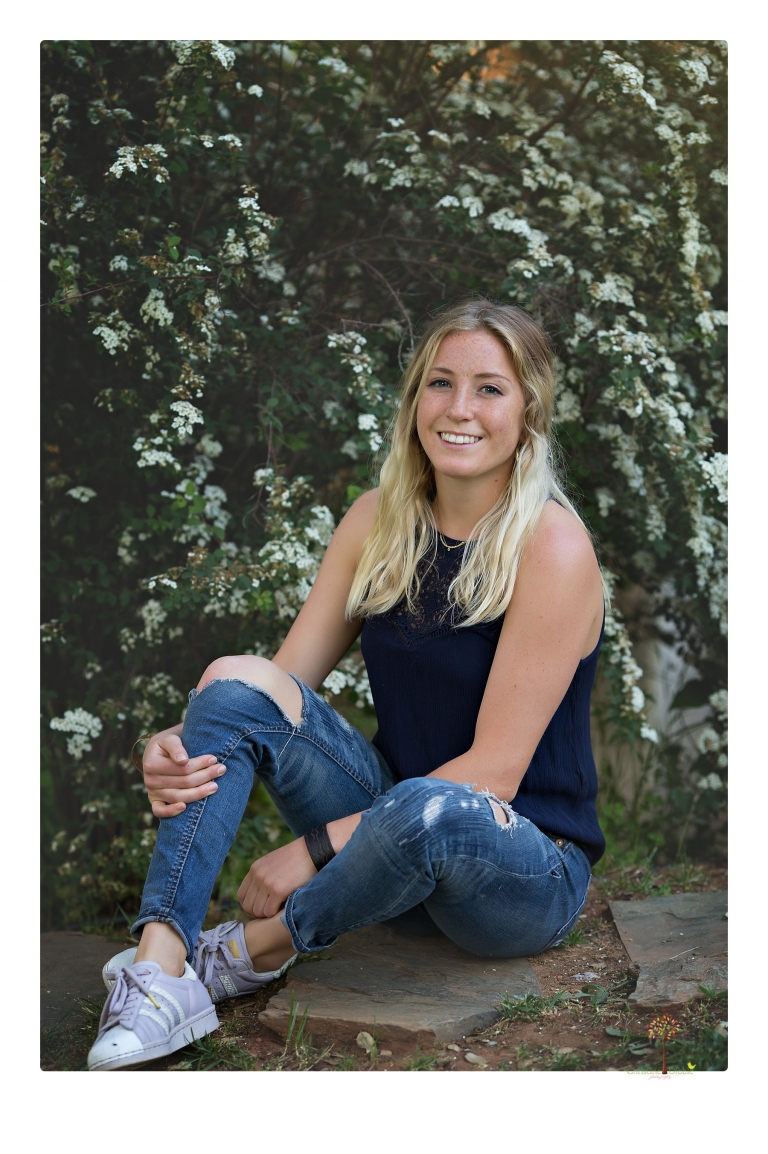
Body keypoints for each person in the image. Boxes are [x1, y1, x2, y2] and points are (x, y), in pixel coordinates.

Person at [88, 298, 607, 1071]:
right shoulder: (377, 522)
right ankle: (160, 969)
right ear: (414, 401)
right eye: (441, 383)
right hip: (391, 842)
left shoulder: (552, 547)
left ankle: (254, 949)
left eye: (489, 389)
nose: (459, 409)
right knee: (232, 682)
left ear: (528, 411)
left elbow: (494, 775)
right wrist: (173, 740)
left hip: (515, 868)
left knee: (431, 805)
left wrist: (315, 848)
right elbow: (271, 693)